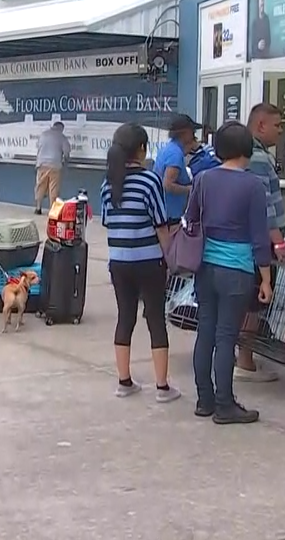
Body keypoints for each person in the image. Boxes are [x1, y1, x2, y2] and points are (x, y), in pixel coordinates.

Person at [187, 121, 273, 424]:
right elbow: (260, 237)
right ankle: (225, 404)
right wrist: (265, 278)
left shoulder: (203, 178)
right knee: (227, 337)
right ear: (247, 149)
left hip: (205, 267)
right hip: (237, 269)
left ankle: (204, 399)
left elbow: (191, 220)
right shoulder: (252, 185)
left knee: (206, 333)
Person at [101, 123, 179, 403]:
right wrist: (169, 256)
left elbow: (107, 221)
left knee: (125, 318)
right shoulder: (149, 181)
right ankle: (162, 387)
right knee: (156, 320)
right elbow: (161, 224)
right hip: (149, 261)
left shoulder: (108, 183)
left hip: (119, 262)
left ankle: (124, 381)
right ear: (142, 149)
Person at [235, 103, 285, 383]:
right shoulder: (256, 158)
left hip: (241, 240)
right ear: (261, 125)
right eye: (277, 125)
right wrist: (278, 241)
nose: (281, 131)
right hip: (257, 241)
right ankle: (245, 360)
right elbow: (264, 205)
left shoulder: (250, 154)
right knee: (255, 299)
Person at [152, 114, 201, 225]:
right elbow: (168, 185)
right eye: (192, 132)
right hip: (170, 216)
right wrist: (190, 189)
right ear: (185, 133)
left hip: (163, 212)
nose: (194, 135)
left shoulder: (168, 149)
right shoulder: (175, 154)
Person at [33, 121, 70, 214]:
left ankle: (38, 208)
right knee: (53, 189)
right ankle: (52, 210)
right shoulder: (62, 137)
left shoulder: (43, 135)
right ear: (61, 128)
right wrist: (65, 161)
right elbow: (66, 152)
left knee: (40, 186)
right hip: (55, 165)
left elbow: (38, 147)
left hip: (42, 164)